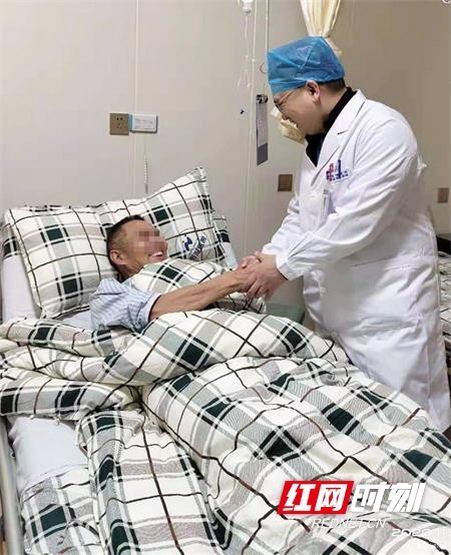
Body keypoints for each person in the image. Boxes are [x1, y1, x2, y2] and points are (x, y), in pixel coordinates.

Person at [240, 36, 451, 432]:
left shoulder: (383, 129)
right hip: (337, 313)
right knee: (357, 431)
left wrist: (281, 267)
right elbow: (302, 215)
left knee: (410, 430)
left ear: (312, 90)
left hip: (387, 314)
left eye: (283, 104)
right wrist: (268, 257)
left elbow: (356, 221)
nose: (284, 117)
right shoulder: (316, 146)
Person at [90, 215, 253, 332]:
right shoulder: (108, 293)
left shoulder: (193, 269)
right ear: (119, 257)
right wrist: (235, 279)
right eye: (145, 238)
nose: (160, 242)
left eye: (158, 236)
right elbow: (153, 310)